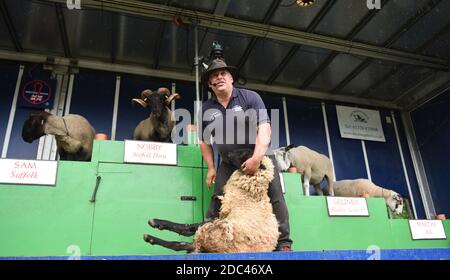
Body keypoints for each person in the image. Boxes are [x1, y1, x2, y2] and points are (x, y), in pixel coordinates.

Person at [197, 58, 293, 251]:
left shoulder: (250, 97)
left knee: (275, 195)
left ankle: (284, 243)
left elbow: (264, 128)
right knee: (218, 199)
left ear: (232, 78)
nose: (219, 77)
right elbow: (204, 141)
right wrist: (211, 168)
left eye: (223, 73)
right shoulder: (206, 109)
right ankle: (206, 242)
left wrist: (257, 158)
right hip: (228, 162)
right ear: (210, 84)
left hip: (259, 155)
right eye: (214, 75)